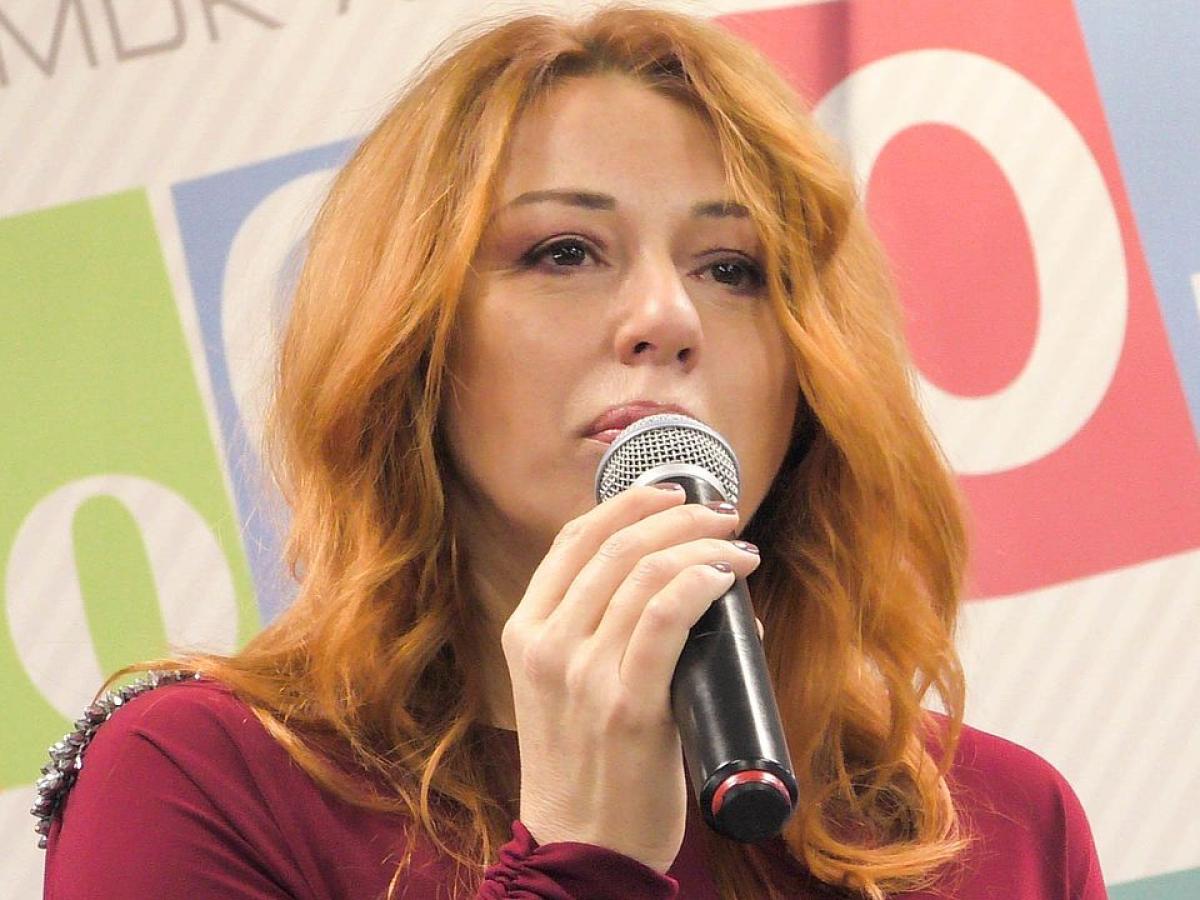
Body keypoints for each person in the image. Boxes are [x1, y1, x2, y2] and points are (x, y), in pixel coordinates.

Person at [38, 5, 1107, 898]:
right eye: (564, 252)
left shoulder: (999, 826)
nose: (666, 316)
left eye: (733, 267)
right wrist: (584, 856)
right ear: (414, 340)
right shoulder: (205, 782)